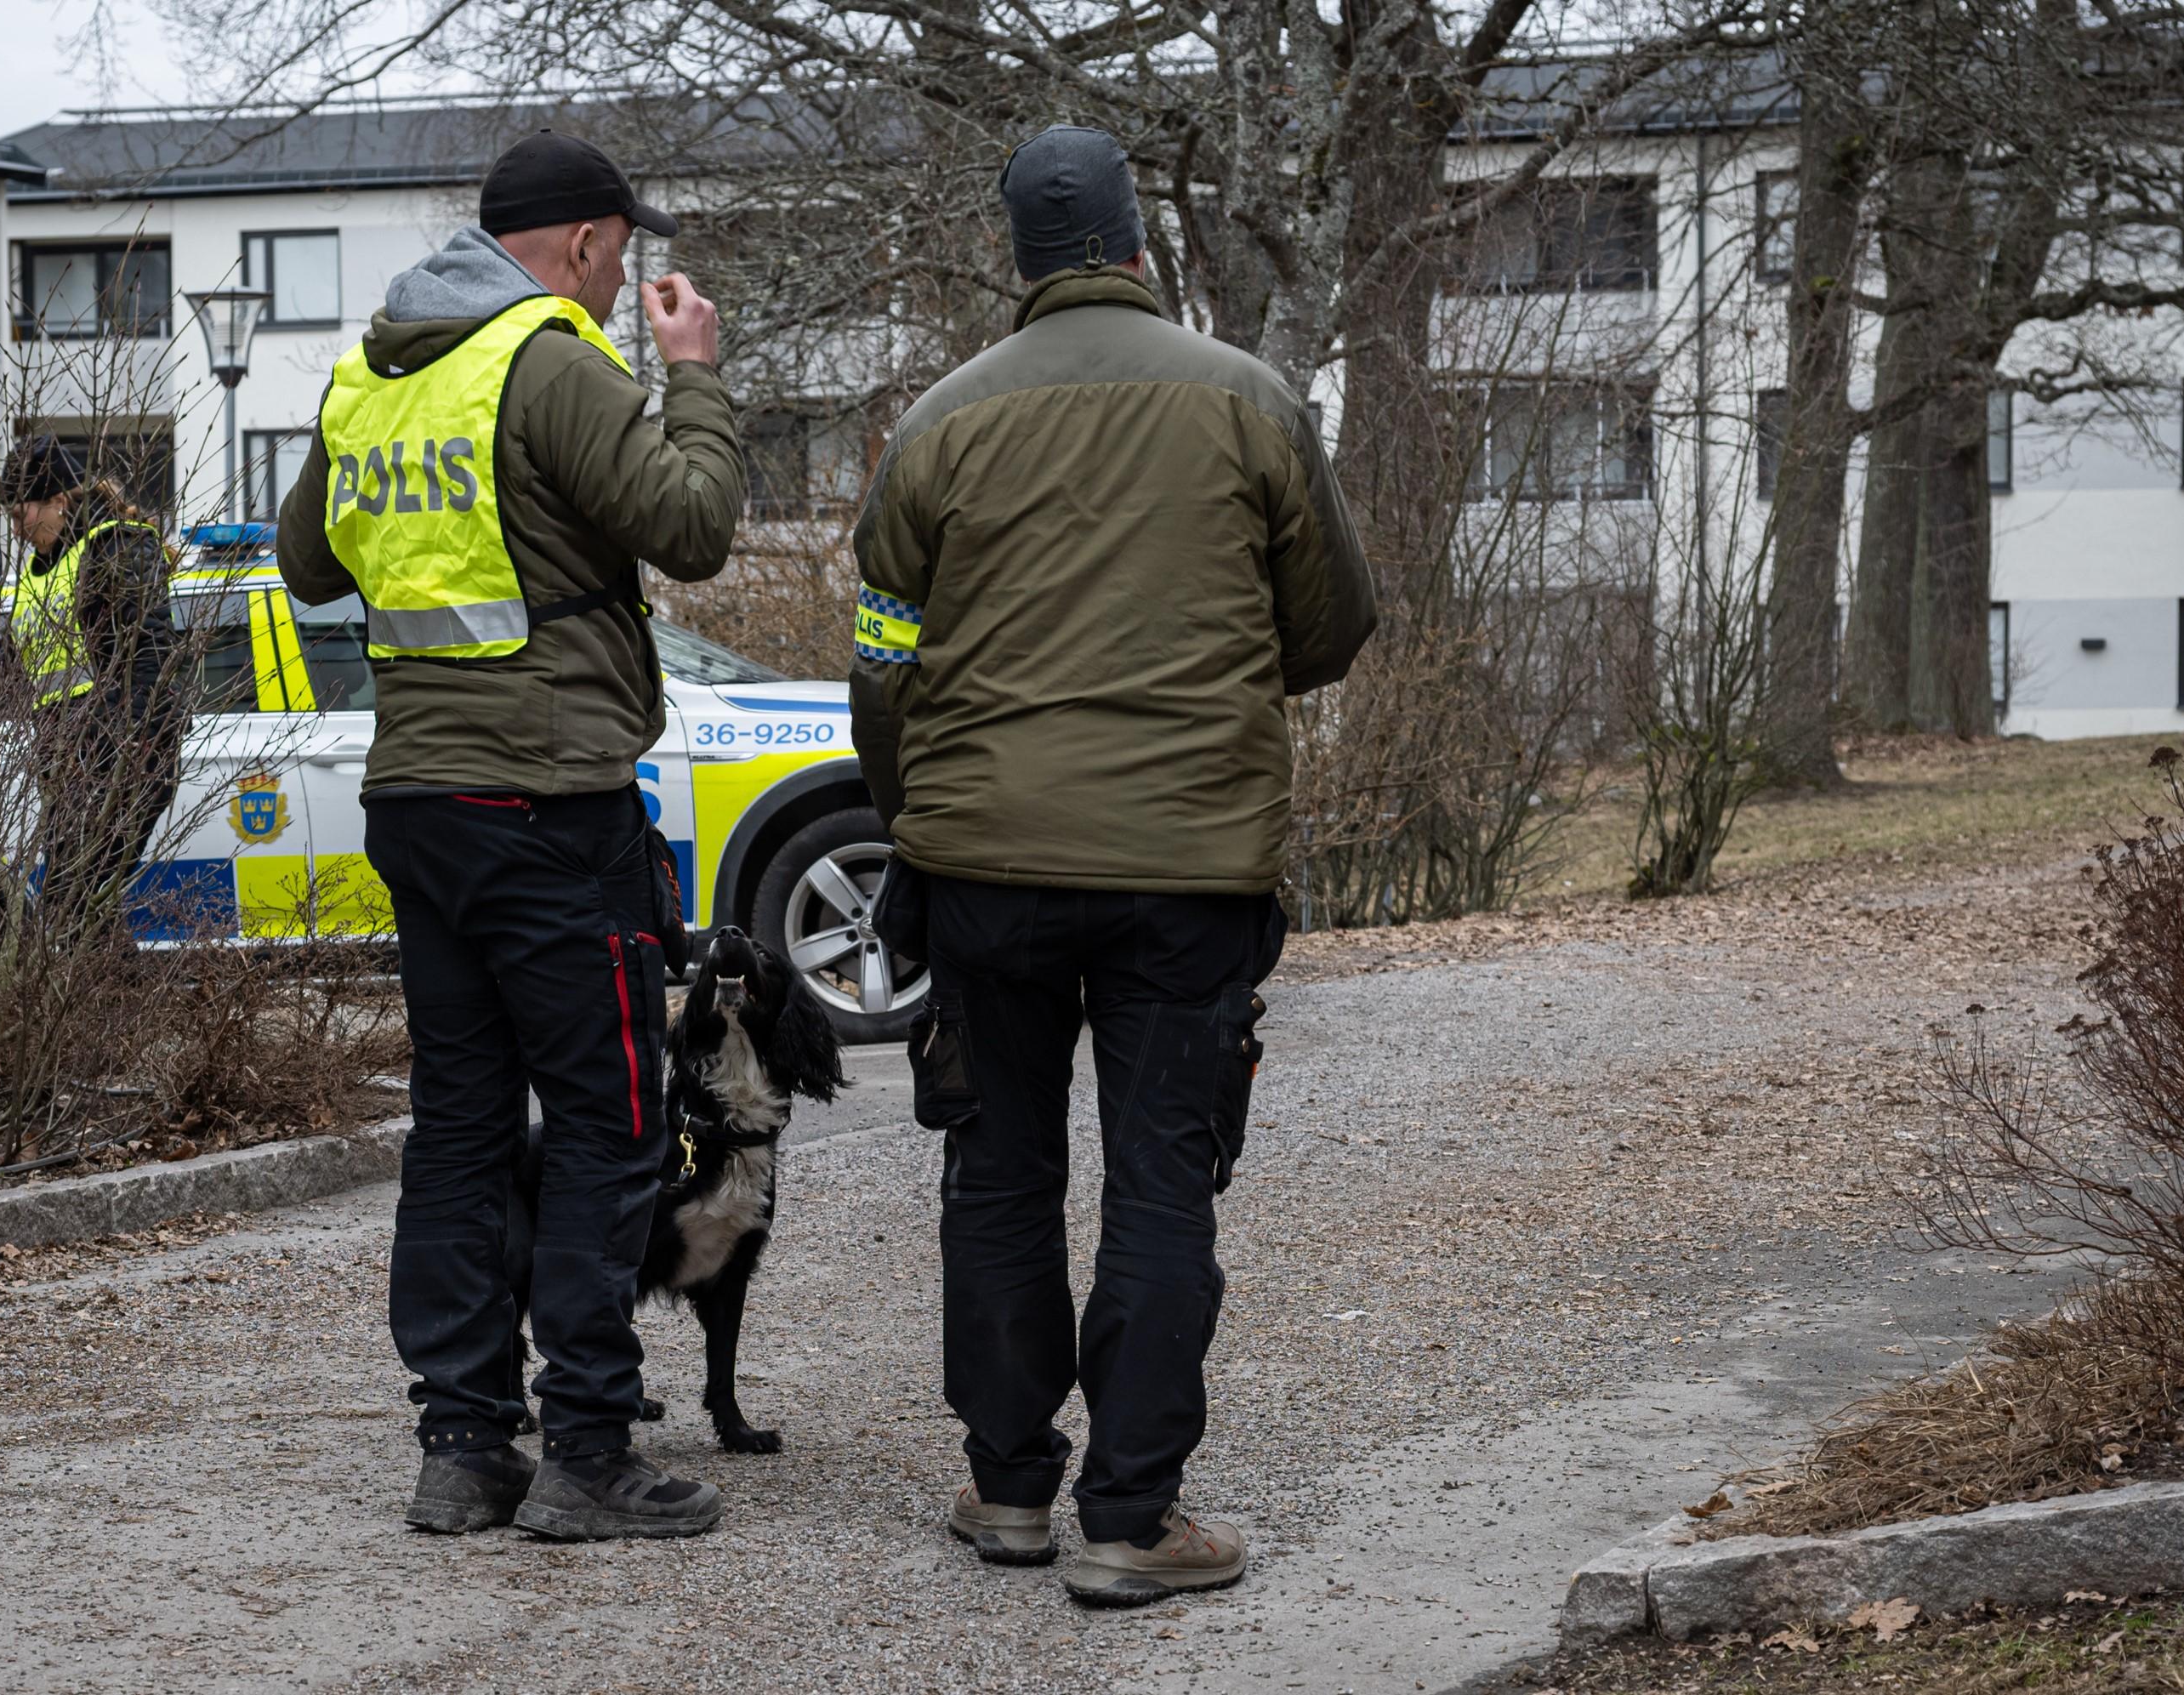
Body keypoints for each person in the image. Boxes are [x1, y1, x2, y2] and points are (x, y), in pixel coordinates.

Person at [848, 125, 1376, 1606]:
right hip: (1184, 868)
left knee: (997, 1166)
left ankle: (1011, 1487)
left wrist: (914, 820)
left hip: (984, 867)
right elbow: (1330, 625)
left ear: (1015, 258)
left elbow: (881, 665)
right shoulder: (1251, 402)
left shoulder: (934, 427)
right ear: (1140, 247)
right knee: (1160, 1176)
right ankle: (1128, 1519)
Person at [273, 130, 744, 1540]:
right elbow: (694, 521)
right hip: (548, 804)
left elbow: (307, 564)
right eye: (620, 253)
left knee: (465, 1125)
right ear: (590, 242)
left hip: (420, 799)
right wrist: (696, 377)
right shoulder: (548, 358)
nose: (620, 281)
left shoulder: (378, 369)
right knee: (609, 1118)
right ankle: (587, 1449)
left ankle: (462, 1440)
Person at [3, 435, 184, 941]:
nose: (17, 532)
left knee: (73, 900)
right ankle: (110, 1012)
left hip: (117, 752)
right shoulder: (40, 570)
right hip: (67, 760)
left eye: (22, 516)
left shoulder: (116, 546)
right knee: (77, 908)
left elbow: (150, 655)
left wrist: (128, 744)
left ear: (59, 502)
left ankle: (106, 1010)